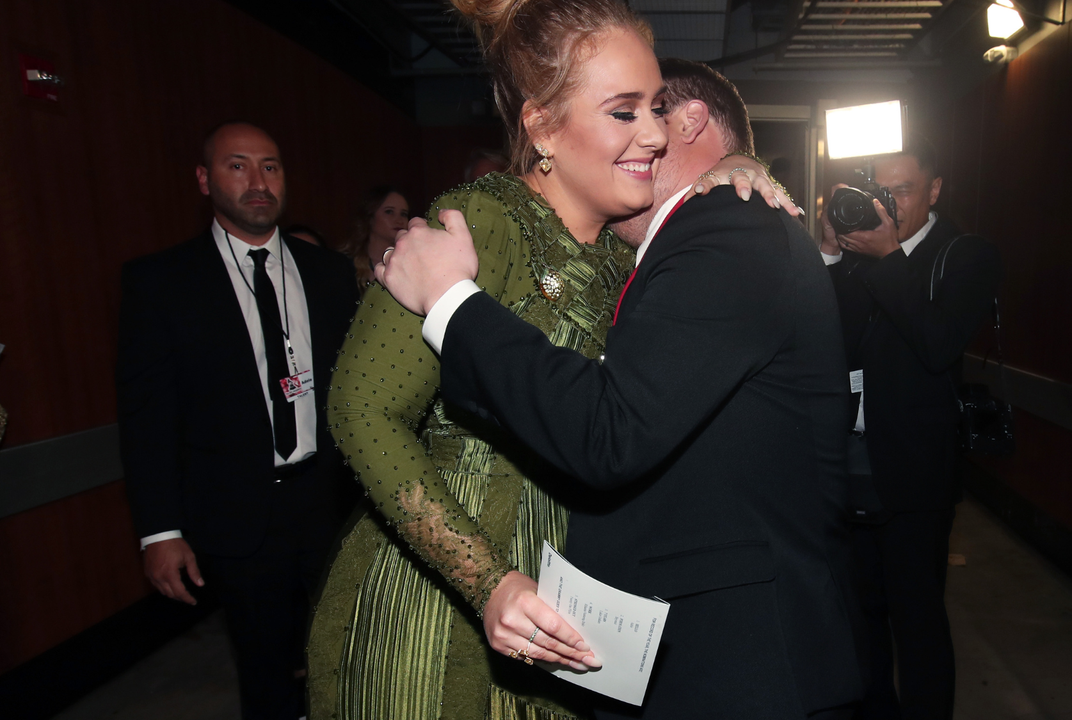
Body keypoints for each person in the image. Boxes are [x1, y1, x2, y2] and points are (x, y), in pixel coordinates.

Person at [305, 3, 786, 719]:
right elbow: (358, 409)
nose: (654, 134)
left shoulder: (624, 249)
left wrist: (736, 168)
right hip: (447, 611)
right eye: (624, 112)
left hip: (571, 606)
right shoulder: (478, 219)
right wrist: (485, 581)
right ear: (542, 127)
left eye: (656, 108)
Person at [374, 57, 861, 720]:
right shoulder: (691, 234)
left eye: (632, 115)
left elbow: (608, 432)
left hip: (735, 666)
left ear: (687, 122)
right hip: (696, 650)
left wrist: (449, 301)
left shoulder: (728, 228)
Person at [116, 121, 359, 720]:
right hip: (238, 514)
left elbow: (358, 392)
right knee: (266, 672)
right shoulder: (162, 283)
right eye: (238, 165)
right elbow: (147, 418)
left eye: (271, 167)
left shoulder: (326, 273)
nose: (258, 181)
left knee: (351, 657)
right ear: (204, 179)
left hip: (329, 503)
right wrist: (159, 531)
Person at [817, 138, 1002, 720]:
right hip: (849, 459)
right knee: (861, 614)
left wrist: (888, 255)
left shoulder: (966, 254)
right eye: (882, 191)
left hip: (916, 472)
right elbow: (827, 340)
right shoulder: (857, 252)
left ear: (935, 190)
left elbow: (937, 344)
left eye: (904, 190)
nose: (891, 204)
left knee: (917, 620)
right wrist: (827, 253)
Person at [336, 184, 410, 288]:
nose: (399, 220)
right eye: (389, 212)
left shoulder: (412, 262)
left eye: (403, 214)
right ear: (370, 217)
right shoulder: (344, 264)